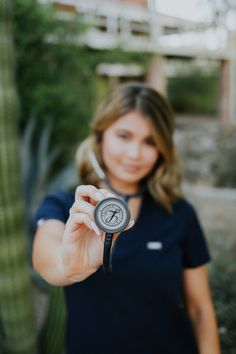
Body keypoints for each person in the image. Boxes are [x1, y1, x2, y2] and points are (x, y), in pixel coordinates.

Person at [33, 82, 220, 354]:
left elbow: (200, 309)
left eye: (150, 142)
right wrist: (69, 266)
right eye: (123, 136)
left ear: (162, 149)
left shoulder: (179, 214)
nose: (134, 154)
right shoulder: (66, 207)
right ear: (101, 136)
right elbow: (46, 257)